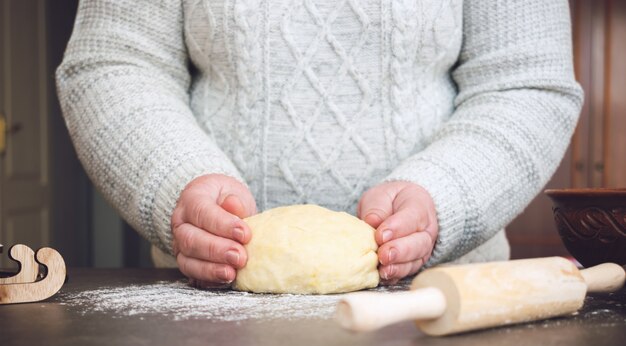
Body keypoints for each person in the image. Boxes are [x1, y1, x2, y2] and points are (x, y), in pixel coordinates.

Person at [56, 0, 583, 287]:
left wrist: (440, 197)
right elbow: (114, 61)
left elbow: (525, 82)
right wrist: (178, 179)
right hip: (209, 307)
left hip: (442, 304)